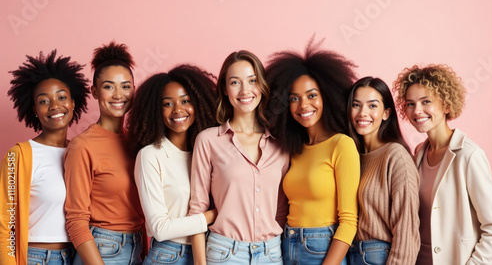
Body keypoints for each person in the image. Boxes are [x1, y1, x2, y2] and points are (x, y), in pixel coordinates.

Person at [188, 50, 289, 264]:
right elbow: (197, 210)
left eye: (252, 80)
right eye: (235, 82)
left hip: (271, 253)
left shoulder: (280, 144)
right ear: (225, 89)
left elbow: (280, 208)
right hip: (225, 253)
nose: (245, 90)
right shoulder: (208, 141)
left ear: (262, 85)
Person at [393, 64, 492, 265]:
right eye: (410, 104)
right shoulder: (417, 155)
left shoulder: (469, 155)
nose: (417, 110)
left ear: (447, 105)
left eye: (426, 102)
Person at [266, 40, 359, 265]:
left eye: (311, 95)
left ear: (327, 95)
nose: (303, 105)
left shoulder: (341, 145)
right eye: (294, 99)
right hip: (288, 245)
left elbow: (348, 222)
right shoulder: (293, 150)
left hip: (323, 249)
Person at [0, 50, 90, 264]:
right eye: (44, 101)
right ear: (34, 109)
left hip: (79, 257)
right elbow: (6, 223)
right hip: (37, 258)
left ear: (73, 102)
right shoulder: (19, 156)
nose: (54, 106)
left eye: (61, 97)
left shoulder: (82, 152)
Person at [127, 65, 219, 264]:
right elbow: (160, 228)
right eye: (168, 104)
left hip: (210, 251)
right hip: (169, 255)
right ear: (155, 111)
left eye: (185, 101)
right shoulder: (150, 156)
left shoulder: (206, 153)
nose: (178, 109)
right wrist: (214, 214)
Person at [64, 41, 145, 265]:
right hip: (101, 250)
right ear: (95, 92)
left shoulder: (139, 141)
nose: (118, 94)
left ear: (134, 90)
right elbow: (76, 220)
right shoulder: (83, 146)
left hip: (136, 247)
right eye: (109, 86)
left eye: (126, 86)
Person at [346, 76, 420, 264]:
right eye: (356, 105)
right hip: (351, 254)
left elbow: (407, 232)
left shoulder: (396, 156)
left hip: (379, 257)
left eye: (372, 106)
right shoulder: (351, 156)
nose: (363, 113)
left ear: (386, 113)